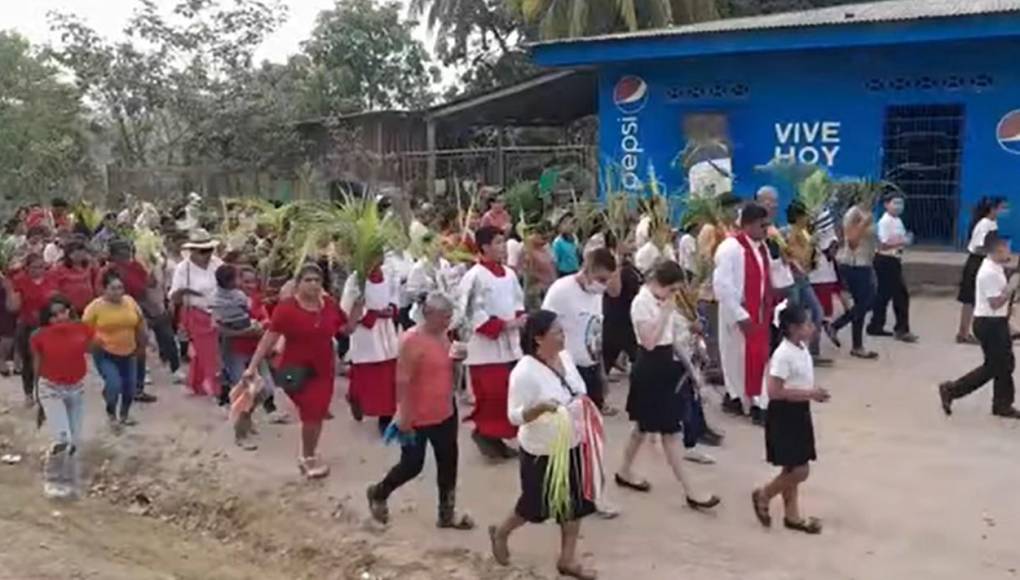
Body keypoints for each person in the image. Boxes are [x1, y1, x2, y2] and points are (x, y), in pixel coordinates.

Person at [489, 311, 600, 580]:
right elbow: (514, 416)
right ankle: (502, 531)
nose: (564, 336)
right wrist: (538, 409)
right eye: (558, 332)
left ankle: (567, 558)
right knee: (534, 505)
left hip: (572, 441)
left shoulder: (566, 357)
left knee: (575, 504)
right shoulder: (524, 372)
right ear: (539, 338)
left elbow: (579, 389)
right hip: (543, 450)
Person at [614, 260, 720, 509]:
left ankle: (624, 470)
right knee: (669, 433)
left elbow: (671, 341)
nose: (673, 296)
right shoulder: (642, 302)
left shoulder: (663, 302)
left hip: (666, 366)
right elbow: (649, 341)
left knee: (643, 427)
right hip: (649, 366)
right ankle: (691, 490)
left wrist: (692, 369)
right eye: (672, 289)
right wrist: (664, 312)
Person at [366, 293, 474, 530]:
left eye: (450, 316)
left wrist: (458, 361)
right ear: (429, 315)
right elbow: (402, 379)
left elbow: (448, 373)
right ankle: (379, 492)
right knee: (412, 464)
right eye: (444, 317)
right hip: (418, 414)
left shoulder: (446, 337)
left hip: (445, 409)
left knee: (448, 463)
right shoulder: (411, 340)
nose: (448, 321)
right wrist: (404, 413)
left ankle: (446, 513)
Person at [244, 263, 357, 478]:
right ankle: (307, 457)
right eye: (308, 280)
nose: (313, 284)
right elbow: (269, 339)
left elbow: (346, 329)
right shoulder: (287, 309)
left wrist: (358, 308)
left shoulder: (330, 306)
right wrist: (251, 367)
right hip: (294, 370)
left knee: (315, 414)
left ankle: (309, 454)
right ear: (298, 284)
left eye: (317, 280)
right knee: (311, 413)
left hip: (324, 371)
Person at [751, 306, 830, 535]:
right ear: (794, 329)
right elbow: (774, 391)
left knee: (792, 465)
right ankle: (764, 494)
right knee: (800, 470)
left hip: (799, 411)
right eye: (807, 324)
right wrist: (810, 394)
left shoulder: (801, 347)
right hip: (784, 413)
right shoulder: (783, 355)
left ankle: (792, 515)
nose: (812, 327)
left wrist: (811, 392)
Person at [457, 225, 526, 460]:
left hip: (509, 346)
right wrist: (503, 325)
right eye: (497, 242)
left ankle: (496, 437)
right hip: (485, 348)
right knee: (492, 394)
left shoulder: (509, 273)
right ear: (485, 247)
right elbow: (470, 312)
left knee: (510, 393)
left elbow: (518, 301)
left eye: (503, 241)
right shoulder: (473, 276)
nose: (502, 247)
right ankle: (486, 433)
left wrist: (518, 319)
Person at [939, 233, 1020, 419]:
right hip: (989, 324)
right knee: (994, 366)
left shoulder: (994, 265)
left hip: (996, 322)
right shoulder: (989, 273)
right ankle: (952, 390)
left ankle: (1002, 403)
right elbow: (995, 303)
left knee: (1005, 364)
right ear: (997, 250)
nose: (1010, 252)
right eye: (1007, 248)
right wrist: (1012, 287)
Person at [713, 202, 773, 424]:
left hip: (758, 313)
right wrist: (740, 314)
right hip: (738, 316)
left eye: (767, 225)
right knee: (738, 361)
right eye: (761, 225)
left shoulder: (762, 247)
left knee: (755, 359)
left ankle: (751, 400)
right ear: (747, 225)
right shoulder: (730, 248)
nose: (765, 230)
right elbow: (722, 286)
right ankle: (746, 401)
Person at [542, 248, 620, 413]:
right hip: (567, 368)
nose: (603, 285)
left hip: (591, 366)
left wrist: (602, 373)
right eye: (601, 279)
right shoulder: (561, 290)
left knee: (591, 424)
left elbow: (595, 333)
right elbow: (543, 329)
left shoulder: (596, 294)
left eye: (607, 281)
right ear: (587, 270)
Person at [31, 296, 94, 500]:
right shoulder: (39, 336)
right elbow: (37, 367)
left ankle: (71, 481)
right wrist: (39, 400)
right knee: (62, 439)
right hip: (50, 388)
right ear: (47, 319)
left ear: (69, 311)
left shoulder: (83, 329)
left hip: (76, 388)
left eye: (62, 312)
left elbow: (94, 348)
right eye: (53, 315)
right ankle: (52, 479)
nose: (59, 317)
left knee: (74, 440)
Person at [83, 270, 147, 432]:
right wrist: (92, 343)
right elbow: (83, 329)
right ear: (104, 289)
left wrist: (143, 343)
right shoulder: (95, 307)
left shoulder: (130, 302)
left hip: (129, 351)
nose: (118, 292)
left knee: (130, 387)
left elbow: (140, 322)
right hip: (106, 352)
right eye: (113, 288)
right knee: (114, 384)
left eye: (120, 288)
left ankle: (124, 415)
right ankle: (111, 414)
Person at [341, 262, 401, 433]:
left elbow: (395, 296)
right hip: (366, 333)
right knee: (368, 373)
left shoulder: (389, 274)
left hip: (386, 330)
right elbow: (346, 307)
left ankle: (386, 415)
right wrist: (368, 313)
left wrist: (392, 308)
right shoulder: (355, 279)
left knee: (388, 374)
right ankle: (356, 398)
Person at [169, 229, 223, 398]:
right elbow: (174, 296)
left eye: (209, 250)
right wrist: (186, 291)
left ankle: (196, 382)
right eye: (202, 251)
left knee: (206, 350)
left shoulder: (217, 264)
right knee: (209, 349)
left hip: (218, 311)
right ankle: (213, 384)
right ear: (193, 251)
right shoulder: (183, 269)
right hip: (196, 313)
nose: (207, 255)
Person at [107, 239, 158, 403]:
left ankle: (138, 388)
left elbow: (149, 284)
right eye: (122, 254)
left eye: (128, 252)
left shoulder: (136, 266)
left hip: (137, 310)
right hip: (118, 313)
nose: (126, 256)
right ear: (113, 256)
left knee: (140, 349)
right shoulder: (110, 271)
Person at [829, 194, 879, 359]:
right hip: (854, 264)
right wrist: (864, 223)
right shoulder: (854, 214)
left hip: (866, 262)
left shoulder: (867, 212)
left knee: (862, 305)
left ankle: (857, 346)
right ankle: (835, 326)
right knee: (866, 302)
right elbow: (852, 240)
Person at [867, 191, 917, 343]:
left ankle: (875, 325)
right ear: (886, 205)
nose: (898, 206)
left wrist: (904, 240)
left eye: (900, 203)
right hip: (885, 260)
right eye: (894, 203)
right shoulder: (885, 222)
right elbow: (882, 244)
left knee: (884, 295)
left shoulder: (898, 221)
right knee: (900, 295)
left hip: (894, 259)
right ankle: (901, 329)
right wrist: (903, 242)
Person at [957, 197, 1008, 344]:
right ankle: (963, 332)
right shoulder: (984, 224)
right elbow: (979, 247)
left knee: (981, 297)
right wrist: (995, 251)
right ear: (993, 209)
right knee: (970, 299)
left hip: (985, 260)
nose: (1003, 211)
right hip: (976, 262)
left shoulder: (992, 223)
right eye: (1001, 208)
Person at [10, 253, 59, 407]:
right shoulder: (20, 281)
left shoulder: (51, 279)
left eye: (41, 266)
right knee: (29, 361)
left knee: (49, 360)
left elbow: (57, 301)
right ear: (27, 268)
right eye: (34, 267)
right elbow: (14, 307)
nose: (38, 270)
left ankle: (44, 390)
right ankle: (29, 393)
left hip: (47, 326)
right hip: (27, 325)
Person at [784, 202, 829, 365]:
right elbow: (789, 256)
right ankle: (792, 351)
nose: (807, 219)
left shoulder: (804, 233)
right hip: (792, 279)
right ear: (797, 217)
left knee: (817, 311)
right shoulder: (787, 233)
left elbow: (809, 255)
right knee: (794, 316)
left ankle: (813, 351)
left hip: (804, 278)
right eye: (804, 215)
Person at [52, 241, 97, 316]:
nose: (79, 255)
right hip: (70, 310)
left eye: (82, 253)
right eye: (76, 253)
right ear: (69, 254)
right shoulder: (59, 269)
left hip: (89, 307)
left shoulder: (90, 267)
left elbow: (95, 282)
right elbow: (55, 289)